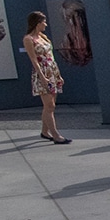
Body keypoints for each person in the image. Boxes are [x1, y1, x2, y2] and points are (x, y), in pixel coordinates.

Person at [24, 11, 70, 144]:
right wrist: (42, 77)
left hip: (52, 71)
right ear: (37, 23)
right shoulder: (28, 39)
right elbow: (34, 59)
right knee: (49, 105)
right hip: (42, 72)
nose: (45, 24)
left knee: (51, 105)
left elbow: (51, 56)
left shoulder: (43, 37)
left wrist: (58, 75)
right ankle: (55, 135)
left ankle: (45, 131)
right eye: (43, 22)